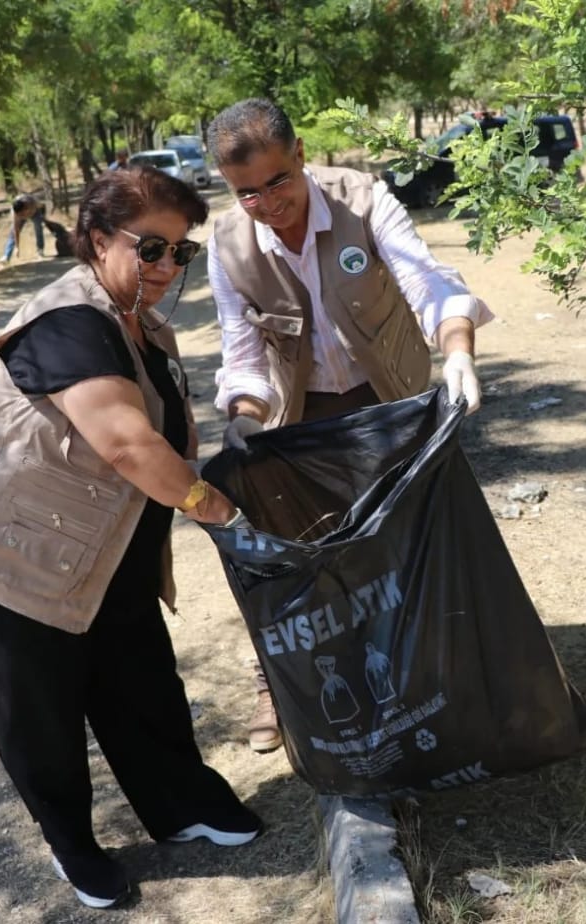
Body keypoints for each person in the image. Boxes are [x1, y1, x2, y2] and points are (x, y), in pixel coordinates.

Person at [0, 167, 262, 910]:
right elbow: (126, 444)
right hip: (14, 554)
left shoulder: (142, 323)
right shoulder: (68, 321)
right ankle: (72, 844)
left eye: (180, 254)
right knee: (41, 710)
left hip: (107, 551)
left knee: (143, 681)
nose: (165, 268)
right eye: (150, 248)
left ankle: (182, 804)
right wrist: (220, 513)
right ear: (95, 238)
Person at [204, 97, 493, 753]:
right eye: (248, 193)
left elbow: (430, 283)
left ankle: (428, 675)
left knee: (407, 546)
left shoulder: (364, 200)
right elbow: (241, 354)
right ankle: (278, 688)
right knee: (298, 564)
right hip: (298, 421)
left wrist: (457, 352)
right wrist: (244, 422)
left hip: (383, 402)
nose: (269, 203)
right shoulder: (227, 246)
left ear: (301, 154)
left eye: (278, 180)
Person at [0, 193, 46, 264]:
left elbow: (41, 206)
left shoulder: (32, 202)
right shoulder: (15, 212)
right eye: (19, 214)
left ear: (25, 208)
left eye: (22, 214)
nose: (21, 216)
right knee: (12, 233)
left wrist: (43, 218)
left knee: (38, 228)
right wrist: (17, 247)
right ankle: (6, 256)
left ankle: (40, 250)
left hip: (35, 213)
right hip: (24, 210)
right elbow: (16, 230)